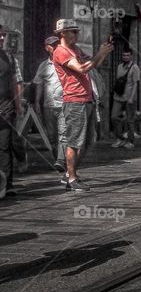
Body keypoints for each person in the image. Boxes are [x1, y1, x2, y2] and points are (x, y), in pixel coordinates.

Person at [51, 18, 113, 191]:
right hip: (74, 101)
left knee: (88, 141)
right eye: (74, 31)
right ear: (63, 33)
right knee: (74, 141)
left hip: (87, 99)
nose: (77, 34)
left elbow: (92, 64)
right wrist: (100, 53)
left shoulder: (75, 49)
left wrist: (104, 53)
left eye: (77, 31)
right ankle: (71, 178)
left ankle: (69, 174)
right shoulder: (61, 51)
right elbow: (82, 69)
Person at [33, 35, 65, 171]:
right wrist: (37, 102)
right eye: (52, 45)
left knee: (63, 134)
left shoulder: (65, 61)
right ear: (47, 48)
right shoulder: (43, 66)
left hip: (65, 104)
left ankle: (62, 161)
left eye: (57, 44)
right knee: (52, 136)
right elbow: (39, 84)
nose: (56, 47)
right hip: (48, 105)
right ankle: (57, 160)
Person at [0, 27, 21, 197]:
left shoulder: (8, 57)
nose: (1, 38)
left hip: (6, 106)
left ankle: (8, 183)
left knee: (5, 145)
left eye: (3, 35)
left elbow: (14, 81)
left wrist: (18, 104)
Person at [110, 49, 140, 149]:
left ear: (131, 56)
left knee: (130, 120)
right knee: (114, 117)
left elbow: (135, 83)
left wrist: (131, 97)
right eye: (124, 55)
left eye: (127, 55)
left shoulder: (135, 67)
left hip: (129, 98)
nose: (125, 57)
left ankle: (130, 141)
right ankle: (120, 138)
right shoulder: (119, 67)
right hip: (118, 97)